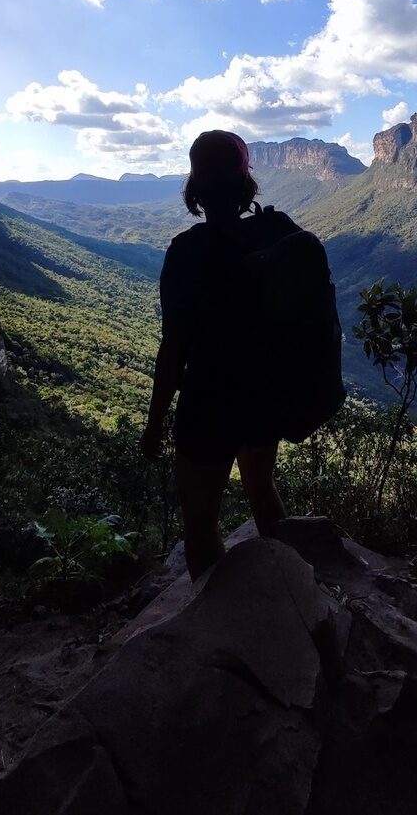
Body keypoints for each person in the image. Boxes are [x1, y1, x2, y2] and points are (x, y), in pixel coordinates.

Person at [139, 130, 300, 580]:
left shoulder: (187, 251)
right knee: (263, 491)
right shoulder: (278, 232)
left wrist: (155, 425)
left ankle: (216, 625)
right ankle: (292, 596)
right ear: (245, 181)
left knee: (200, 524)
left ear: (195, 187)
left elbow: (174, 347)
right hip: (263, 395)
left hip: (207, 401)